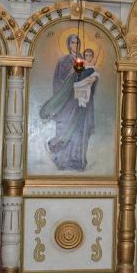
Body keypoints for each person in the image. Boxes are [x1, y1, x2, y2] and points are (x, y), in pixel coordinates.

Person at [39, 34, 96, 171]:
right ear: (68, 45)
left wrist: (89, 81)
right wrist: (70, 82)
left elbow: (91, 80)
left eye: (77, 42)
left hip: (81, 101)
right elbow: (57, 82)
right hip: (67, 100)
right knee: (64, 127)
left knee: (79, 130)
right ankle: (62, 160)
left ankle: (77, 160)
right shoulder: (63, 61)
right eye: (72, 42)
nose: (75, 45)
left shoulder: (86, 60)